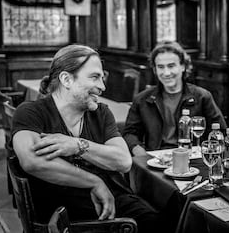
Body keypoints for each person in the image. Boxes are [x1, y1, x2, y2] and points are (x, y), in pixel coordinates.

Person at [11, 45, 163, 232]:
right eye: (95, 77)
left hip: (111, 205)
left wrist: (77, 145)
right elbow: (32, 161)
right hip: (64, 215)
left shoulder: (101, 113)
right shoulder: (31, 112)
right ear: (66, 79)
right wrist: (93, 181)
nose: (102, 87)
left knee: (161, 218)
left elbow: (123, 161)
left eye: (102, 77)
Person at [123, 41, 226, 156]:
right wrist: (141, 154)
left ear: (183, 66)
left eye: (171, 66)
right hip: (156, 160)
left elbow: (220, 131)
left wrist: (204, 151)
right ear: (155, 70)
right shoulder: (142, 99)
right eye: (161, 67)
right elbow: (129, 134)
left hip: (192, 158)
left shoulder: (202, 96)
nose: (166, 73)